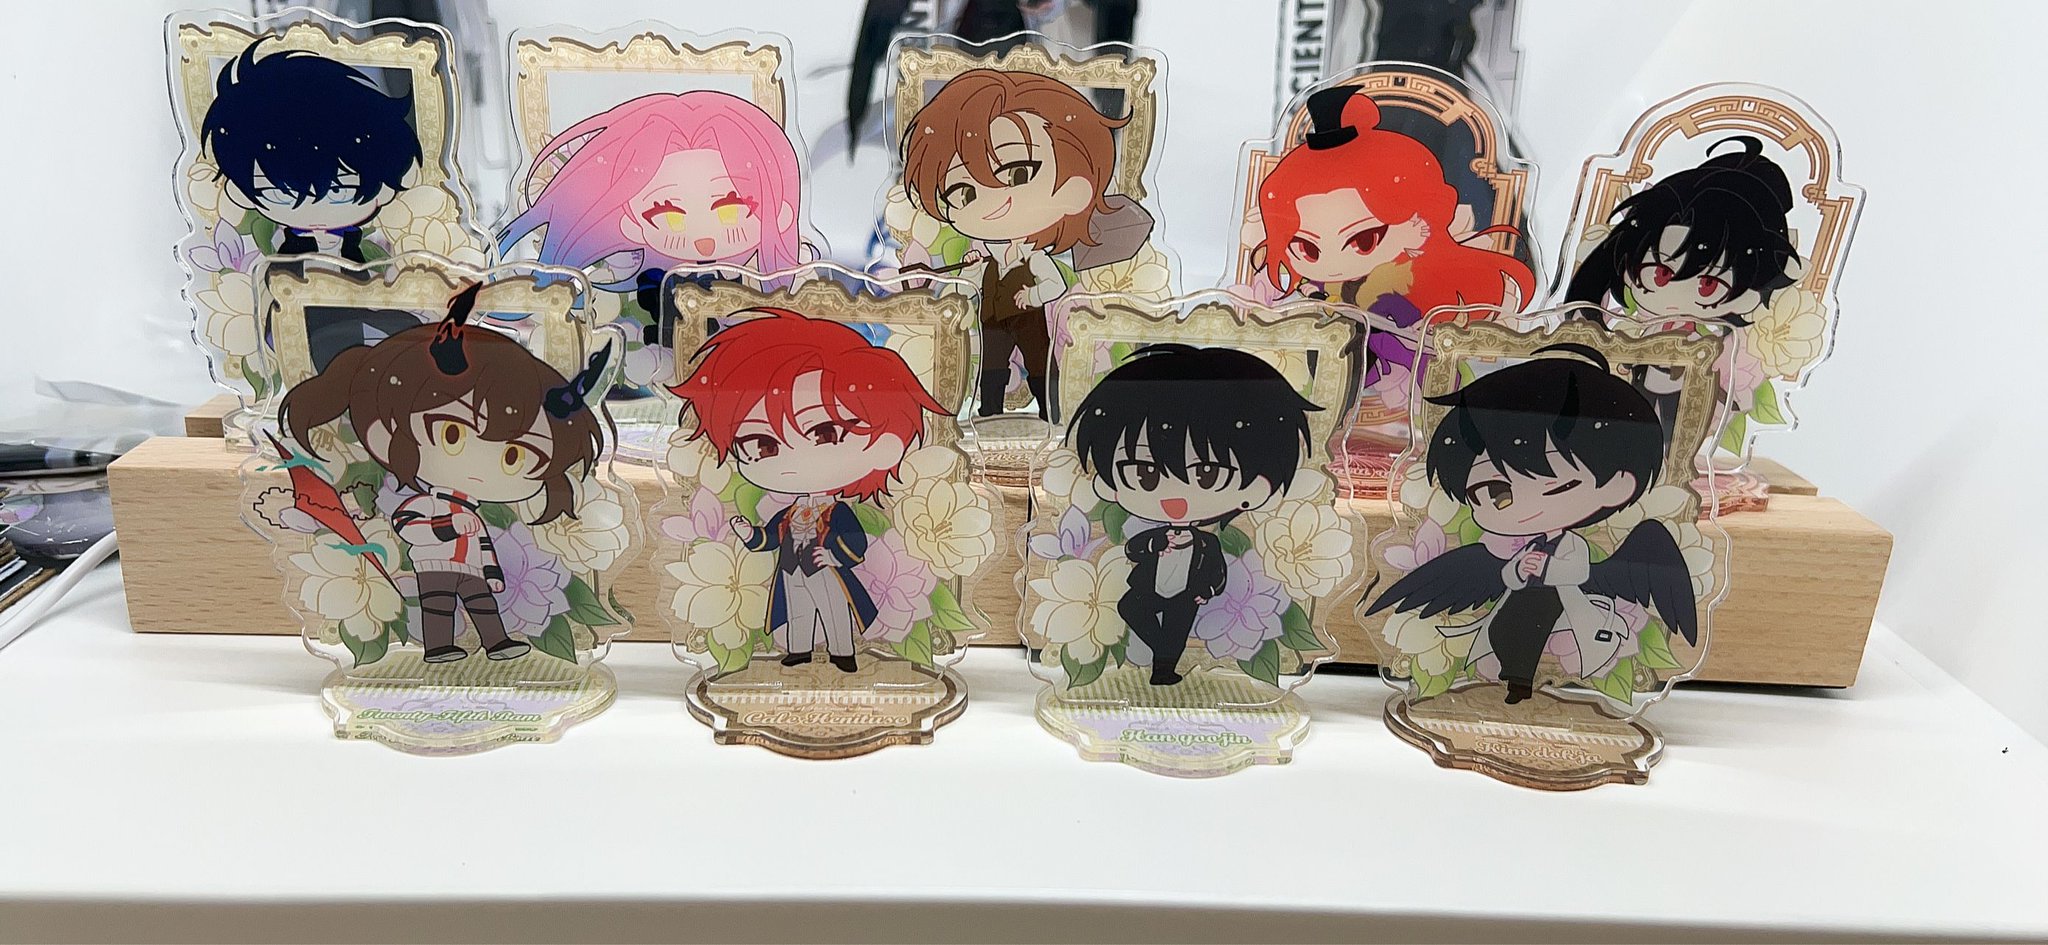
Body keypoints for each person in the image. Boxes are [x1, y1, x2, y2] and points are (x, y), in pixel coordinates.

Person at [279, 284, 607, 663]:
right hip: (433, 566)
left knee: (483, 603)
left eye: (514, 457)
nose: (480, 469)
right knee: (437, 607)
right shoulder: (426, 504)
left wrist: (492, 571)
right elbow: (406, 525)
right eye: (452, 434)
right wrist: (447, 528)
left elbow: (483, 543)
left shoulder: (473, 514)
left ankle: (497, 643)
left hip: (471, 568)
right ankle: (438, 647)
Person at [1364, 345, 1698, 704]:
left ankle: (1521, 681)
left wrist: (1547, 567)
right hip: (1525, 593)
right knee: (1502, 629)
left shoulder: (1573, 543)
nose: (1504, 508)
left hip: (1558, 598)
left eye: (1547, 482)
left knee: (1527, 631)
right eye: (1485, 495)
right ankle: (1513, 677)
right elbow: (1507, 577)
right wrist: (1518, 569)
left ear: (1616, 484)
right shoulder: (1525, 543)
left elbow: (1579, 570)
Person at [669, 308, 946, 672]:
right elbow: (770, 538)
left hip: (826, 570)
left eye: (824, 434)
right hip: (791, 571)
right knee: (798, 611)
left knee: (834, 610)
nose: (794, 458)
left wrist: (834, 557)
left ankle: (842, 652)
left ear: (884, 444)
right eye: (762, 444)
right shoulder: (789, 512)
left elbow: (856, 543)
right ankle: (798, 649)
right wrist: (748, 533)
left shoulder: (838, 511)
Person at [902, 68, 1154, 417]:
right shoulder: (984, 255)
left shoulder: (1034, 257)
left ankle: (1051, 411)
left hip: (1028, 321)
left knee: (1040, 365)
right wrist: (969, 273)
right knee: (992, 367)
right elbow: (967, 290)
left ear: (1073, 190)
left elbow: (1054, 284)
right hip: (992, 321)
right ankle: (990, 411)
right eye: (963, 193)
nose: (992, 200)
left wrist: (1032, 296)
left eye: (1018, 174)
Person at [1067, 344, 1320, 685]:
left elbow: (1217, 570)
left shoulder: (1207, 544)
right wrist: (1155, 544)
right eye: (1145, 474)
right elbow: (1133, 550)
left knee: (1176, 631)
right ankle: (1162, 652)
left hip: (1186, 596)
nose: (1176, 499)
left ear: (1257, 489)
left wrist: (1208, 591)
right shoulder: (1157, 535)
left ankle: (1163, 670)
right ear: (1110, 484)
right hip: (1149, 589)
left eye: (1208, 475)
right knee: (1130, 607)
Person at [201, 41, 421, 262]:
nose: (313, 206)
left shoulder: (370, 243)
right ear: (240, 192)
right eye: (280, 194)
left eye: (339, 191)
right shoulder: (282, 246)